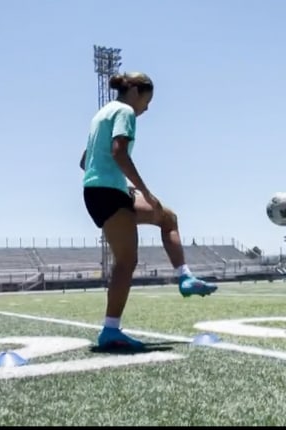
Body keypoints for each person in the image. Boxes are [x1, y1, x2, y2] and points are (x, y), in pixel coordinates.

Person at [80, 72, 218, 350]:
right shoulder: (124, 112)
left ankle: (185, 277)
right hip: (107, 193)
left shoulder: (102, 114)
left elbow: (85, 161)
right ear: (136, 92)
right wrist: (144, 191)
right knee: (126, 261)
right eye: (148, 100)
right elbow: (119, 152)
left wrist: (122, 184)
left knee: (168, 218)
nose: (147, 108)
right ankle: (110, 330)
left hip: (103, 190)